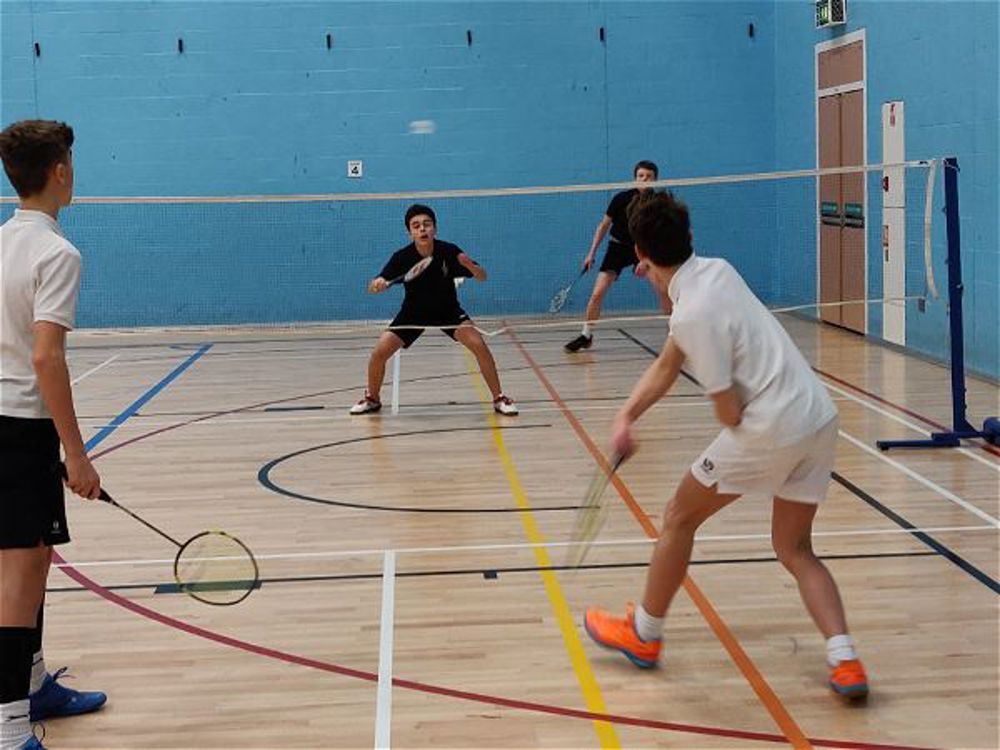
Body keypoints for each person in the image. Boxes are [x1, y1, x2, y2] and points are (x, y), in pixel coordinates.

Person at [583, 192, 868, 699]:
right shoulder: (718, 270)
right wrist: (627, 415)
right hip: (818, 417)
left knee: (678, 516)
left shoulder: (693, 315)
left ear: (639, 259)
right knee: (795, 547)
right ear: (690, 239)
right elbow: (668, 364)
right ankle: (845, 659)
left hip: (769, 423)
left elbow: (729, 412)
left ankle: (644, 636)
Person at [0, 120, 108, 750]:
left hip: (9, 428)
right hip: (20, 431)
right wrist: (77, 453)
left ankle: (36, 684)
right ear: (61, 171)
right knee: (15, 585)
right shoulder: (58, 253)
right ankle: (12, 730)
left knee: (35, 560)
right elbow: (46, 359)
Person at [349, 204, 518, 416]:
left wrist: (472, 267)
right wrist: (378, 283)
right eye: (416, 226)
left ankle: (499, 397)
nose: (422, 229)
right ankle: (372, 399)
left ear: (435, 229)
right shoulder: (401, 257)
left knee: (479, 344)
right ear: (409, 232)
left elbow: (483, 276)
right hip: (413, 313)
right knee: (378, 353)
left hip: (448, 310)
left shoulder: (449, 251)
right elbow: (374, 286)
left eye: (427, 224)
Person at [564, 160, 658, 353]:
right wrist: (591, 253)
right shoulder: (621, 198)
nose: (644, 179)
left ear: (655, 179)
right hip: (617, 248)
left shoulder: (659, 203)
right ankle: (586, 335)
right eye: (641, 176)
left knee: (666, 289)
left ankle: (680, 333)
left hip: (645, 248)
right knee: (597, 293)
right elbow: (603, 226)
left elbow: (660, 232)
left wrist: (645, 260)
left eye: (649, 176)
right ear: (635, 178)